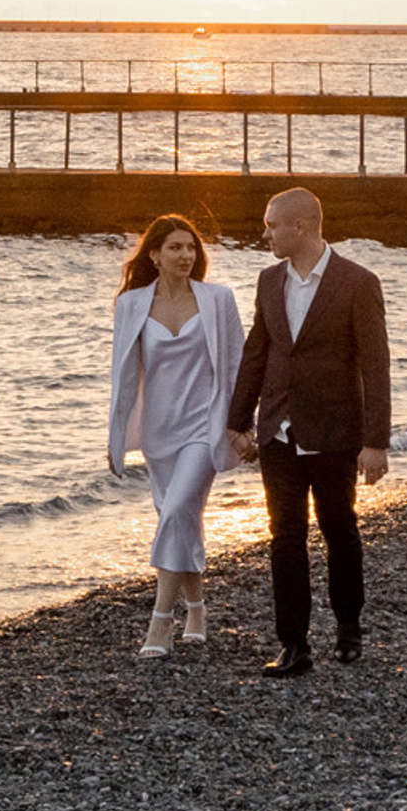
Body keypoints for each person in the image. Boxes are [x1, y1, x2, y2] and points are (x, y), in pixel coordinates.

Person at [226, 188, 391, 678]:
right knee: (285, 536)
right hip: (277, 430)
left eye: (272, 225)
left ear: (300, 226)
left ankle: (348, 629)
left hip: (335, 431)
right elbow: (257, 352)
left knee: (339, 531)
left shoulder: (357, 282)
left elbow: (376, 366)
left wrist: (376, 442)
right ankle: (293, 645)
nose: (265, 233)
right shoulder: (268, 280)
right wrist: (238, 423)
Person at [107, 214, 247, 660]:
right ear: (154, 255)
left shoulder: (218, 300)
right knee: (179, 518)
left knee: (179, 508)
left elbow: (238, 366)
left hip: (203, 426)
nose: (186, 255)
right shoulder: (131, 305)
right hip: (158, 431)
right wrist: (115, 439)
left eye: (191, 248)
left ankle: (160, 621)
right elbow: (123, 377)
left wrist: (245, 426)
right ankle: (198, 611)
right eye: (175, 248)